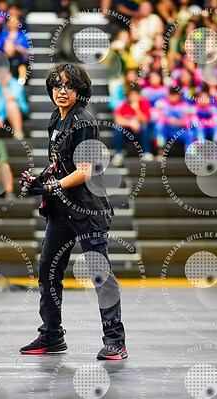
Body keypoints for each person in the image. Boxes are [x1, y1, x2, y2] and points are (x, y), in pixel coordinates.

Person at [20, 62, 127, 360]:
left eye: (68, 86)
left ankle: (115, 341)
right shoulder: (56, 118)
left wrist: (52, 186)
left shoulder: (84, 122)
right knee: (48, 270)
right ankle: (52, 335)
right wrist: (40, 180)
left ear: (80, 91)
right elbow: (59, 164)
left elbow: (85, 171)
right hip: (62, 210)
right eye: (57, 85)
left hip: (87, 210)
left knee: (100, 275)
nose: (62, 91)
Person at [112, 87, 154, 166]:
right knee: (118, 128)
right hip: (128, 132)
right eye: (132, 95)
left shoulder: (144, 102)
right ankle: (119, 154)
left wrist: (136, 109)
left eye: (136, 95)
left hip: (140, 132)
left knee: (144, 126)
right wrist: (130, 123)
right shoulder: (124, 103)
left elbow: (145, 119)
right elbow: (117, 119)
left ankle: (146, 153)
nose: (134, 97)